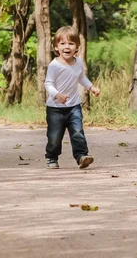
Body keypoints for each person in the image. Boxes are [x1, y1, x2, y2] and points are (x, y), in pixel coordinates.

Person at [44, 26, 100, 170]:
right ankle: (52, 157)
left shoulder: (79, 62)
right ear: (56, 47)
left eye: (71, 43)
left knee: (77, 132)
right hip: (55, 108)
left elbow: (81, 78)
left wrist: (91, 88)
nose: (67, 47)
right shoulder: (54, 65)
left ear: (77, 47)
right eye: (62, 44)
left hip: (74, 106)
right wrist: (57, 94)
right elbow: (48, 84)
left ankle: (82, 156)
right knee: (55, 137)